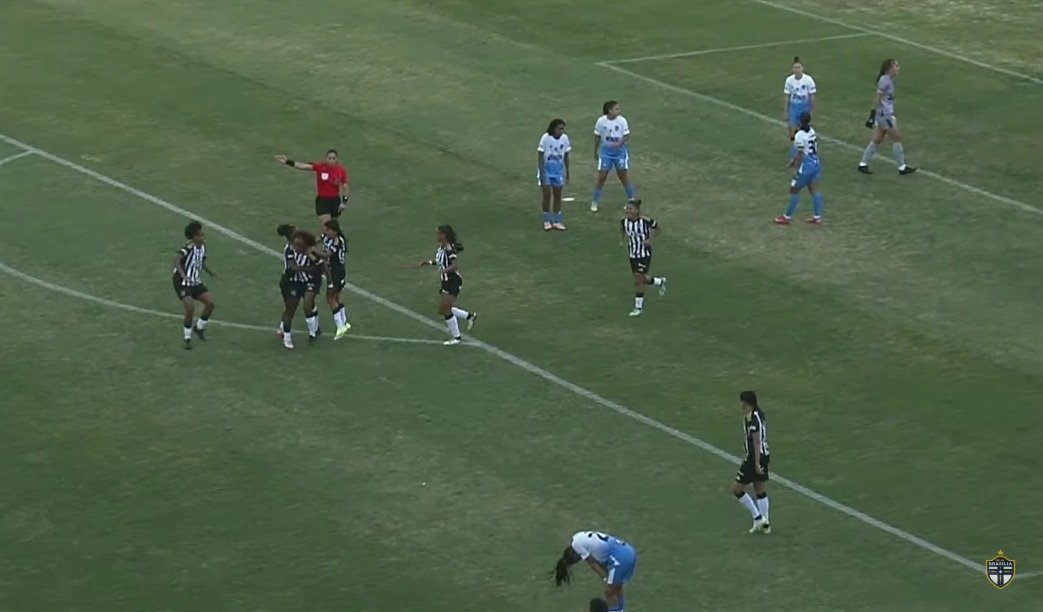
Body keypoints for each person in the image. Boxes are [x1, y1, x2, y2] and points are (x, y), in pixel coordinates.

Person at [412, 225, 477, 345]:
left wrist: (444, 271)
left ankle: (457, 338)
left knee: (444, 309)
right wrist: (429, 263)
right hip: (445, 282)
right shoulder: (441, 248)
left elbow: (454, 265)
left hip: (453, 281)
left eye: (438, 234)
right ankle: (469, 316)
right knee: (443, 309)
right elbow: (442, 261)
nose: (436, 236)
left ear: (444, 235)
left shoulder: (449, 248)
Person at [552, 531, 637, 612]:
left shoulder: (577, 545)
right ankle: (620, 610)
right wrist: (608, 577)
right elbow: (600, 563)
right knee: (616, 588)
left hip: (620, 559)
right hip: (628, 551)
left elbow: (592, 563)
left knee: (609, 591)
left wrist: (605, 578)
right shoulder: (580, 538)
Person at [858, 59, 917, 175]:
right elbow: (877, 97)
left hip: (884, 114)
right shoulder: (885, 80)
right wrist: (872, 115)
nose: (898, 68)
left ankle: (863, 164)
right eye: (896, 66)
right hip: (884, 115)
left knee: (877, 139)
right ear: (889, 68)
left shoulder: (890, 80)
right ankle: (901, 167)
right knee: (897, 137)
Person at [276, 226, 325, 349]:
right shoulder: (289, 250)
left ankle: (313, 332)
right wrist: (310, 269)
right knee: (291, 308)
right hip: (290, 282)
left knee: (308, 305)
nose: (296, 244)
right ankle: (286, 336)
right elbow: (293, 267)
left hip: (306, 281)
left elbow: (321, 265)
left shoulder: (310, 250)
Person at [274, 149, 350, 225]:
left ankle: (337, 235)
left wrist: (344, 202)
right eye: (329, 158)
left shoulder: (341, 170)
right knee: (327, 226)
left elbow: (345, 186)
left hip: (335, 201)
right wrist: (287, 161)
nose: (331, 160)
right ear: (326, 158)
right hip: (322, 201)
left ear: (337, 159)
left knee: (334, 226)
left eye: (333, 158)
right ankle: (322, 236)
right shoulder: (320, 167)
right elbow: (303, 166)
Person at [731, 391, 772, 534]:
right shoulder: (759, 413)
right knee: (759, 488)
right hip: (765, 454)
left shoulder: (751, 418)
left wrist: (755, 463)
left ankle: (758, 517)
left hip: (754, 457)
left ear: (745, 402)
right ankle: (765, 524)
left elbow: (756, 440)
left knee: (736, 489)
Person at [172, 220, 216, 350]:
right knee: (190, 308)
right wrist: (183, 275)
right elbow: (176, 260)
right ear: (194, 237)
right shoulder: (188, 248)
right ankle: (187, 337)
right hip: (182, 283)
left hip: (195, 281)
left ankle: (199, 327)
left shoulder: (202, 248)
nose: (203, 237)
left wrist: (211, 273)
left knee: (210, 304)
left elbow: (200, 262)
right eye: (200, 235)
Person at [774, 112, 824, 225]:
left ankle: (787, 217)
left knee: (794, 189)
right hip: (816, 164)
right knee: (814, 190)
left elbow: (800, 154)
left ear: (799, 121)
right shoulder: (812, 131)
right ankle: (817, 217)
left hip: (807, 167)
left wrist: (796, 167)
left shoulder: (799, 135)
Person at [620, 201, 666, 317]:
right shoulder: (624, 221)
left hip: (644, 254)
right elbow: (622, 229)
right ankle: (659, 281)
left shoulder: (645, 221)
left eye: (630, 209)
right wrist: (621, 240)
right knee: (641, 278)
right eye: (627, 209)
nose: (628, 211)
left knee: (639, 280)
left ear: (636, 210)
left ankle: (638, 308)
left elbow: (658, 229)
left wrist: (650, 240)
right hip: (633, 254)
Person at [591, 100, 638, 213]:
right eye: (616, 109)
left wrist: (618, 144)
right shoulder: (601, 121)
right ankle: (595, 202)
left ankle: (632, 200)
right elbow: (597, 136)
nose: (619, 111)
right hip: (606, 152)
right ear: (609, 110)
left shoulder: (622, 121)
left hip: (620, 152)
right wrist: (595, 150)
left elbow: (626, 135)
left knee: (623, 177)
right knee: (602, 177)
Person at [537, 118, 571, 231]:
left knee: (557, 195)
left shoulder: (565, 139)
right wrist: (541, 172)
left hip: (558, 171)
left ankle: (557, 221)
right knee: (547, 194)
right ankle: (547, 220)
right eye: (559, 129)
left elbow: (566, 156)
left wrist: (567, 172)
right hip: (546, 170)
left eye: (562, 129)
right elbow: (540, 155)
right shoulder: (546, 138)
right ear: (553, 128)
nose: (561, 131)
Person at [320, 219, 351, 339]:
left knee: (330, 297)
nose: (326, 232)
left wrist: (312, 251)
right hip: (336, 271)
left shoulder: (337, 242)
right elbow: (318, 239)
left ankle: (340, 326)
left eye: (328, 230)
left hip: (335, 272)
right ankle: (344, 322)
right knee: (338, 296)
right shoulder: (328, 237)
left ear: (335, 231)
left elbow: (327, 255)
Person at [783, 56, 816, 159]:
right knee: (792, 128)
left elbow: (812, 96)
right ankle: (795, 148)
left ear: (802, 68)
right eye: (795, 68)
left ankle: (803, 150)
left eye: (799, 67)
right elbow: (787, 96)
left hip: (804, 106)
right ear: (792, 69)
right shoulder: (789, 80)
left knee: (803, 129)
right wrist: (785, 110)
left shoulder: (808, 80)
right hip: (794, 106)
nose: (797, 70)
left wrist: (811, 110)